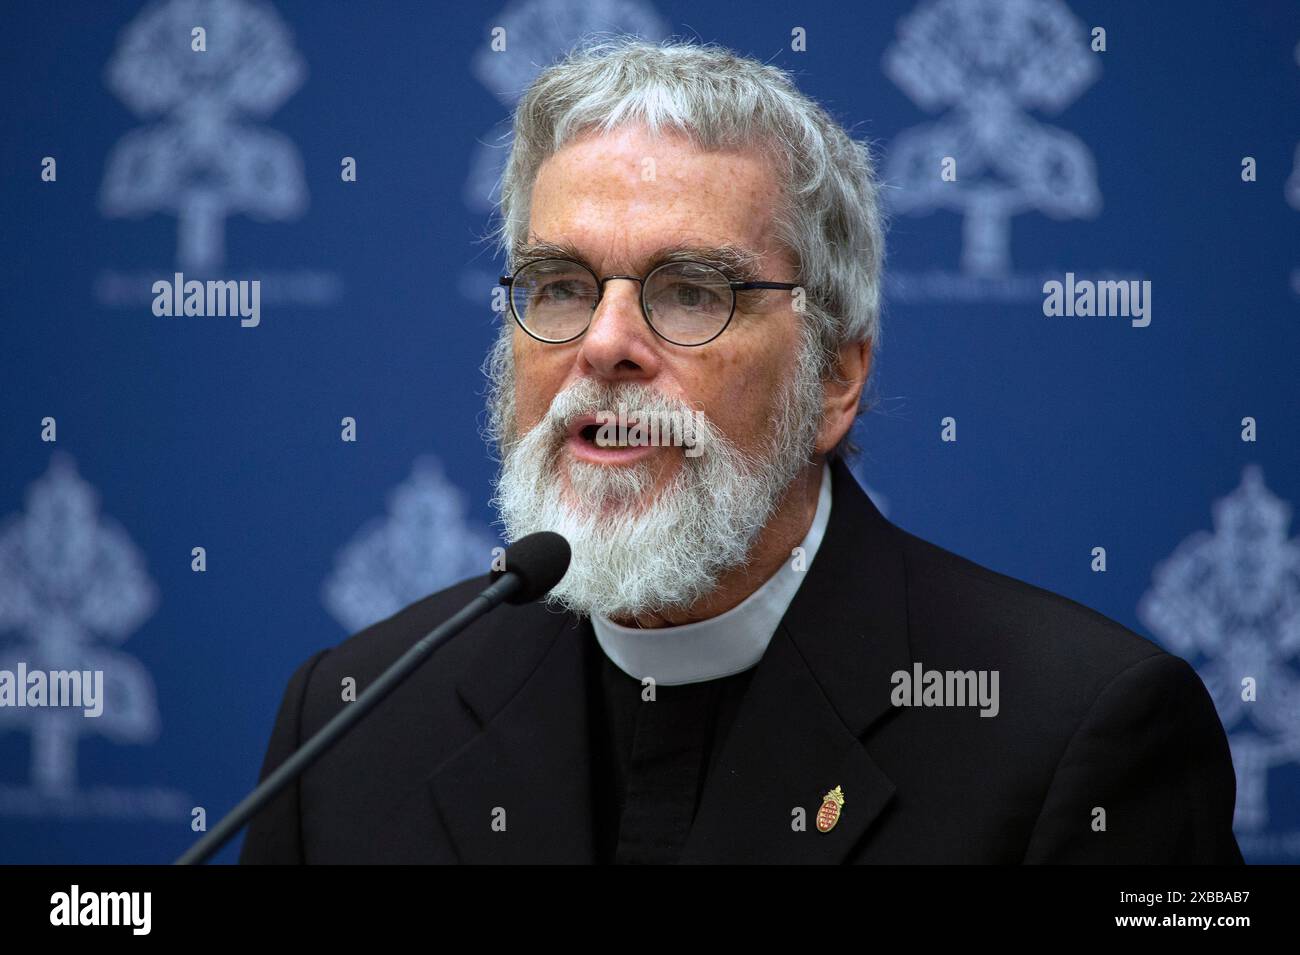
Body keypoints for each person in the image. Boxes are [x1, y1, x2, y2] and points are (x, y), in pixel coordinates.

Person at [240, 38, 1242, 864]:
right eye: (558, 284)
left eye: (690, 291)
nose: (603, 345)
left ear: (834, 380)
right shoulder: (350, 721)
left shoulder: (1078, 734)